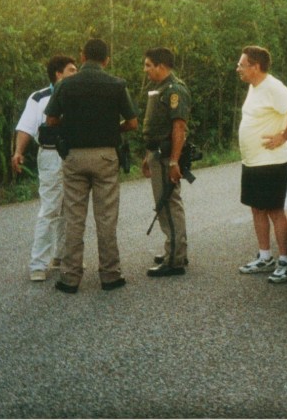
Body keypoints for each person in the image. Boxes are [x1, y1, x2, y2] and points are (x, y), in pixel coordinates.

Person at [44, 38, 138, 294]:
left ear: (82, 56)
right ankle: (110, 274)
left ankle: (70, 277)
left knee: (74, 218)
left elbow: (51, 119)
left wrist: (70, 126)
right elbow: (132, 123)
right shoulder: (117, 85)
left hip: (74, 156)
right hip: (106, 155)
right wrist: (111, 129)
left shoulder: (66, 85)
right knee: (106, 217)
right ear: (106, 60)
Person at [235, 45, 287, 284]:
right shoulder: (254, 86)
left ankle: (285, 262)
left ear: (256, 67)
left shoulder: (273, 86)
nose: (238, 69)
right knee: (257, 208)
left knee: (275, 210)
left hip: (272, 162)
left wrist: (283, 136)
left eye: (242, 65)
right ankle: (265, 257)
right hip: (253, 162)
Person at [11, 55, 78, 282]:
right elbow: (26, 127)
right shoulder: (39, 98)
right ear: (58, 74)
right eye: (71, 70)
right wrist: (18, 152)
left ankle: (60, 257)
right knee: (50, 208)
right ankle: (38, 263)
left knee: (70, 208)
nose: (76, 74)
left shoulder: (78, 94)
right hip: (50, 154)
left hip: (74, 154)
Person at [140, 47, 193, 278]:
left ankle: (175, 260)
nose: (146, 70)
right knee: (165, 205)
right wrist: (147, 156)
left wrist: (173, 162)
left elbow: (178, 127)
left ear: (161, 66)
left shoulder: (174, 90)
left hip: (166, 156)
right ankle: (175, 249)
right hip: (156, 154)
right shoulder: (158, 88)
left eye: (148, 65)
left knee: (168, 204)